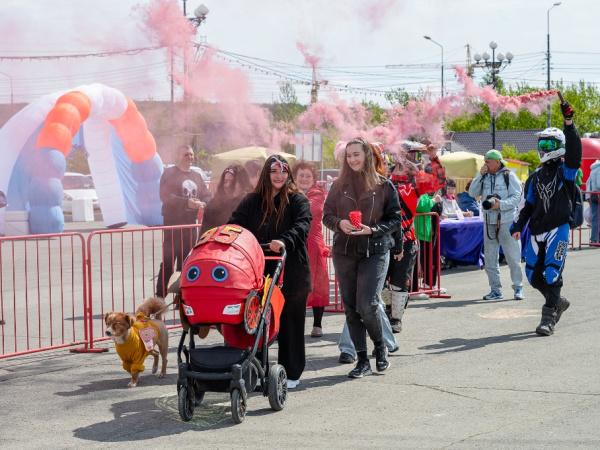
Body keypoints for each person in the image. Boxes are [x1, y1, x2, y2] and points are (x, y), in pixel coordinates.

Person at [229, 155, 312, 388]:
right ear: (266, 173)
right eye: (274, 171)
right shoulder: (252, 200)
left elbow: (303, 225)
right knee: (256, 323)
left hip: (292, 271)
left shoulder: (297, 199)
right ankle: (255, 371)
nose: (279, 176)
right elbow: (235, 223)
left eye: (283, 171)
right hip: (258, 272)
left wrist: (284, 240)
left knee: (290, 323)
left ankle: (291, 372)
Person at [323, 138, 401, 378]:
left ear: (367, 156)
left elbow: (395, 219)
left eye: (357, 154)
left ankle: (380, 348)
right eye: (349, 156)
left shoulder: (384, 185)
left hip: (375, 250)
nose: (352, 159)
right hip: (344, 251)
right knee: (351, 308)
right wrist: (339, 223)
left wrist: (373, 230)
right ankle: (362, 360)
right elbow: (327, 215)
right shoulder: (339, 185)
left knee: (367, 304)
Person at [511, 101, 582, 336]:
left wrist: (569, 123)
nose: (544, 147)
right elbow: (526, 205)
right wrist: (518, 226)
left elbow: (575, 153)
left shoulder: (566, 171)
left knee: (552, 272)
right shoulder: (534, 177)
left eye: (549, 143)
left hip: (558, 228)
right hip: (537, 230)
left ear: (559, 147)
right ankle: (557, 302)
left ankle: (548, 318)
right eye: (542, 143)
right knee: (532, 275)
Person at [387, 141, 446, 332]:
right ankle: (385, 311)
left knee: (400, 279)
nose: (416, 161)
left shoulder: (417, 179)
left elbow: (440, 182)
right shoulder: (383, 176)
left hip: (406, 237)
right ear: (399, 156)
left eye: (418, 157)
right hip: (382, 237)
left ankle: (396, 318)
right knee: (379, 280)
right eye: (412, 156)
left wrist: (433, 157)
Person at [156, 145, 211, 298]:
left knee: (186, 263)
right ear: (178, 156)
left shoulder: (197, 176)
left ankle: (182, 298)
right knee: (168, 261)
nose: (189, 157)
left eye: (191, 154)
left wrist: (203, 204)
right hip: (173, 225)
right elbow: (165, 196)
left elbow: (207, 195)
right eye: (186, 154)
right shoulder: (170, 173)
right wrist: (186, 203)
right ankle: (159, 298)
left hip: (189, 226)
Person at [469, 149, 523, 301]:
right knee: (490, 259)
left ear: (497, 162)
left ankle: (518, 288)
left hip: (506, 221)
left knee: (513, 257)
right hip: (488, 222)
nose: (484, 164)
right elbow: (472, 193)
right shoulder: (484, 176)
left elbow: (516, 198)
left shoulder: (509, 176)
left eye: (487, 162)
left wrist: (500, 204)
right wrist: (480, 174)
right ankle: (495, 290)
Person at [291, 159, 329, 338]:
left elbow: (310, 210)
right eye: (301, 175)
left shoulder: (318, 193)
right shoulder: (288, 192)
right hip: (294, 242)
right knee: (294, 285)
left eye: (308, 176)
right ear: (295, 177)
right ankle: (294, 324)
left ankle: (317, 324)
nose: (304, 179)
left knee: (317, 283)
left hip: (313, 243)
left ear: (314, 178)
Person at [199, 164, 252, 234]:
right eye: (225, 181)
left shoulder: (250, 204)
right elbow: (204, 234)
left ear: (243, 183)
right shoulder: (213, 205)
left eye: (232, 182)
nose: (227, 186)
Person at [586, 159, 600, 245]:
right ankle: (595, 240)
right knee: (597, 219)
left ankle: (594, 239)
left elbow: (588, 182)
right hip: (597, 194)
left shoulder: (594, 168)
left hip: (592, 195)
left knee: (595, 218)